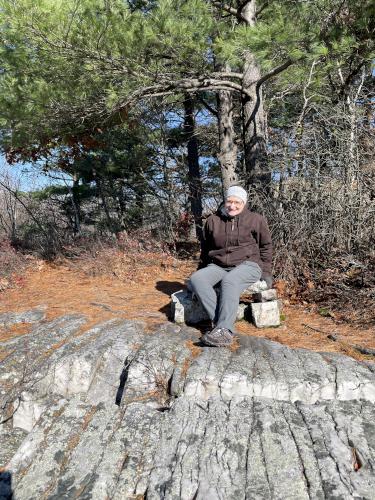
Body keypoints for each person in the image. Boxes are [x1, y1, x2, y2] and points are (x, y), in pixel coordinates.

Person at [188, 186, 272, 347]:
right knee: (197, 280)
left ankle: (225, 331)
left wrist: (267, 272)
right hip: (219, 265)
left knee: (230, 281)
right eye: (229, 201)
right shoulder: (213, 221)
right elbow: (205, 250)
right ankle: (219, 324)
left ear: (244, 203)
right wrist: (201, 270)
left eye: (237, 202)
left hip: (249, 264)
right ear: (224, 201)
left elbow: (266, 246)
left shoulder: (255, 219)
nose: (232, 206)